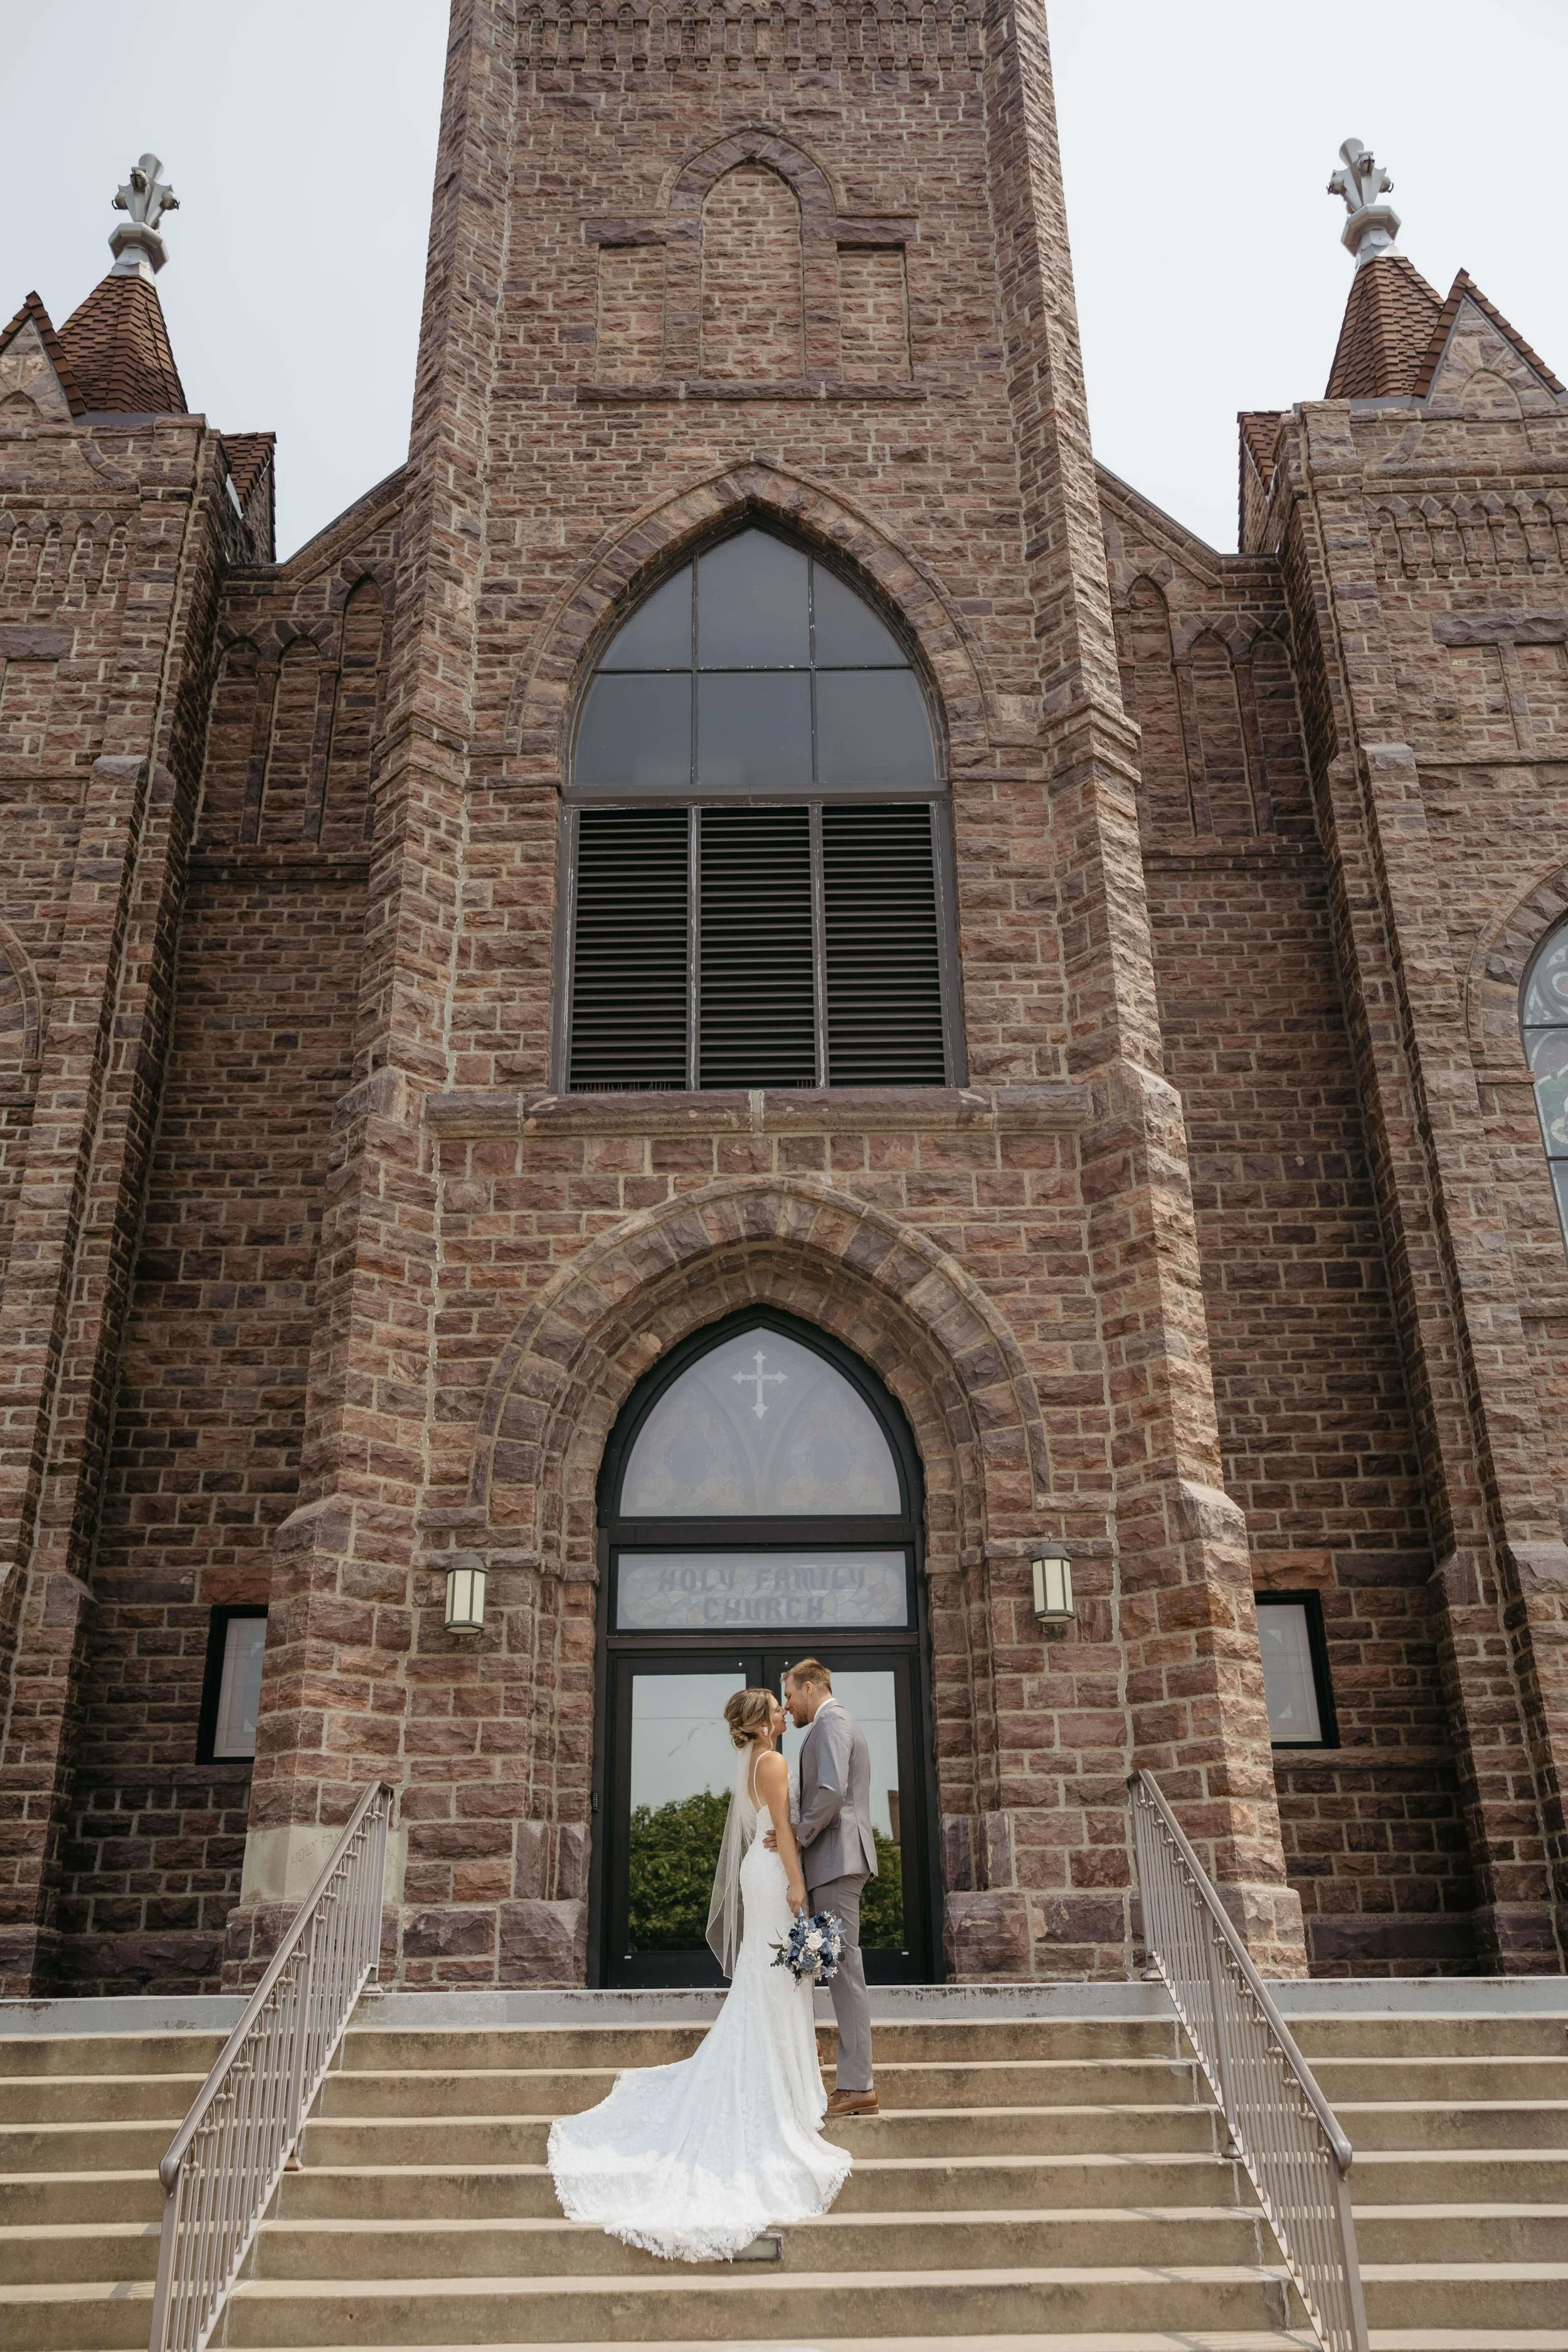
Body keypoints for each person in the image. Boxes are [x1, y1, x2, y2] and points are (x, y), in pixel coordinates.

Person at [546, 1687, 851, 2262]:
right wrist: (798, 1885)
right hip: (771, 1877)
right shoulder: (775, 1760)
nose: (785, 1711)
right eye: (776, 1707)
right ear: (762, 1724)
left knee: (771, 1982)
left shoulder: (755, 1761)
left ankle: (788, 2085)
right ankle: (785, 2093)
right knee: (777, 1981)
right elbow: (784, 1830)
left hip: (756, 1872)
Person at [769, 1658, 879, 2117]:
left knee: (845, 1971)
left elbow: (832, 1790)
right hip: (830, 1862)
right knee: (828, 1968)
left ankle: (858, 2085)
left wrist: (797, 1834)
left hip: (837, 1860)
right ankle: (828, 2068)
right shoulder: (828, 1723)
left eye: (790, 1695)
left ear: (810, 1687)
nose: (788, 1707)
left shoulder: (832, 1721)